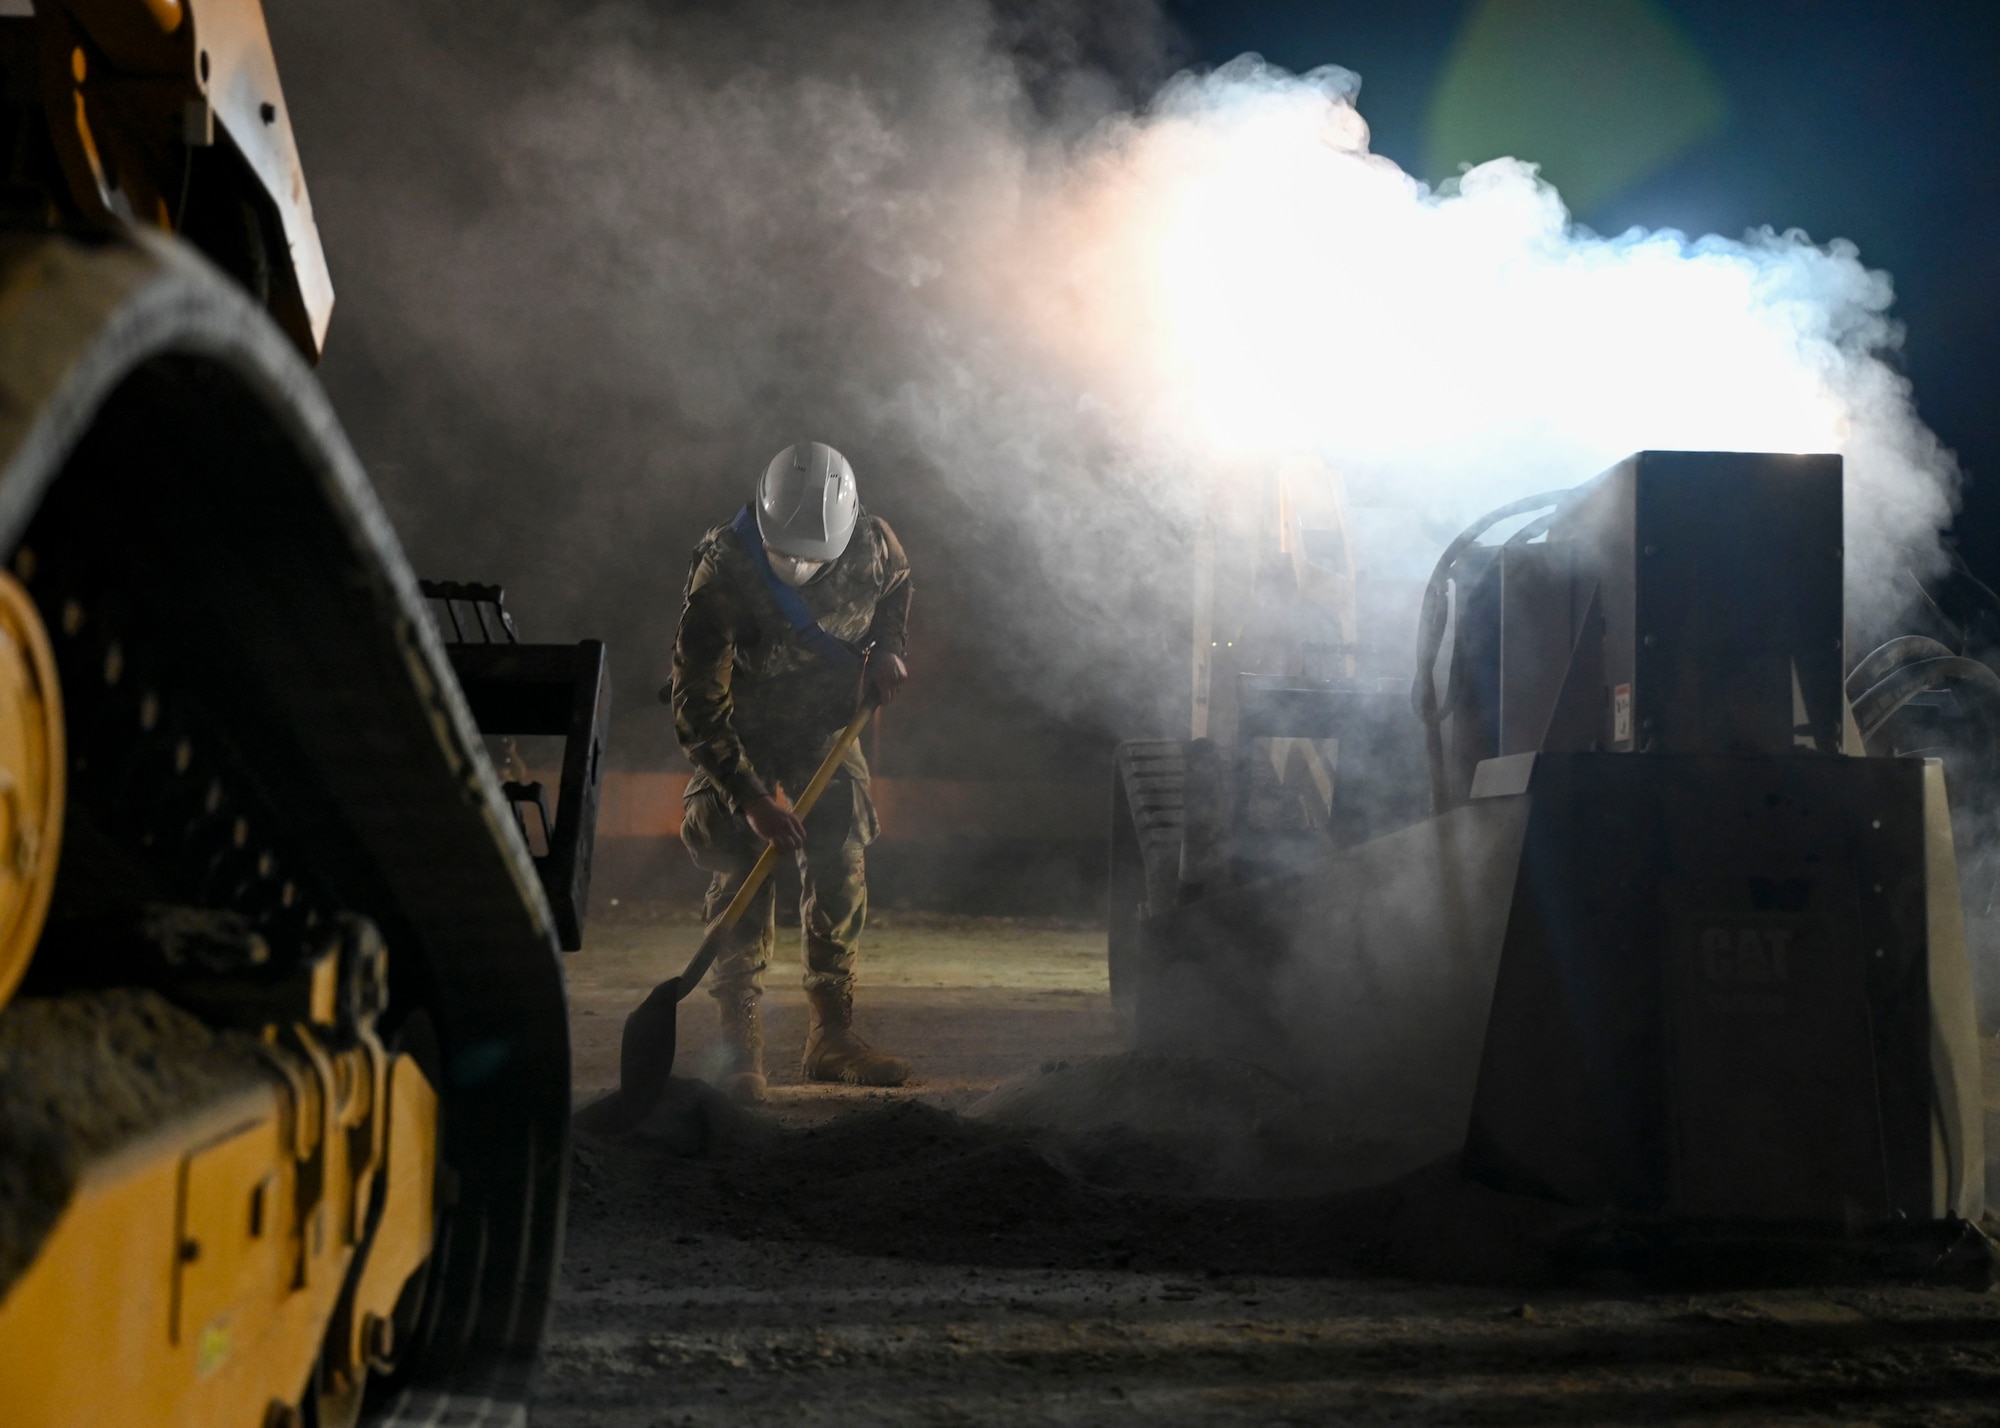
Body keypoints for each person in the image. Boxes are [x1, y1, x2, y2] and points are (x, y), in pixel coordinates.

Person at [669, 440, 912, 1103]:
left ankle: (832, 1036)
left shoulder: (873, 547)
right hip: (739, 722)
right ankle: (738, 1040)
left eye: (813, 557)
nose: (799, 566)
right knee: (736, 850)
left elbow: (896, 590)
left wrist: (888, 650)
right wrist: (748, 798)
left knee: (842, 846)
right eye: (785, 555)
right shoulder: (724, 572)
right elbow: (696, 705)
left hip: (824, 721)